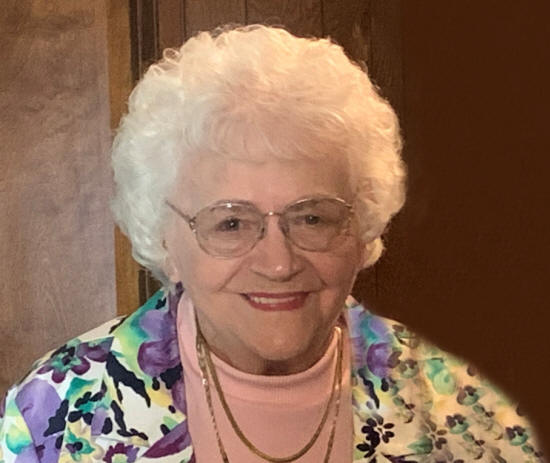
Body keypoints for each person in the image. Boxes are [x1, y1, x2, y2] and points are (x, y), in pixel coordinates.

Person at [0, 24, 544, 463]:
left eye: (312, 218)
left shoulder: (468, 415)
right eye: (230, 224)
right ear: (164, 238)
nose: (279, 264)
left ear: (362, 229)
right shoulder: (57, 415)